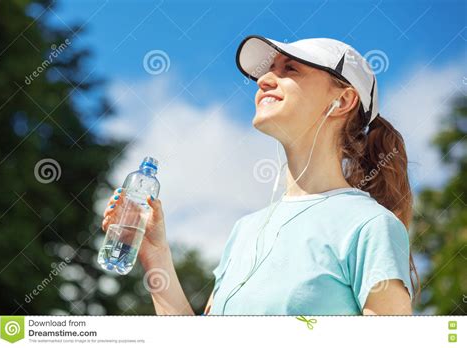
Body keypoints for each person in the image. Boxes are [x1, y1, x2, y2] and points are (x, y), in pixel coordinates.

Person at [101, 35, 420, 315]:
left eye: (290, 69)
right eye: (269, 69)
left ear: (342, 100)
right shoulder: (245, 230)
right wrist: (155, 255)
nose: (264, 79)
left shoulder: (369, 225)